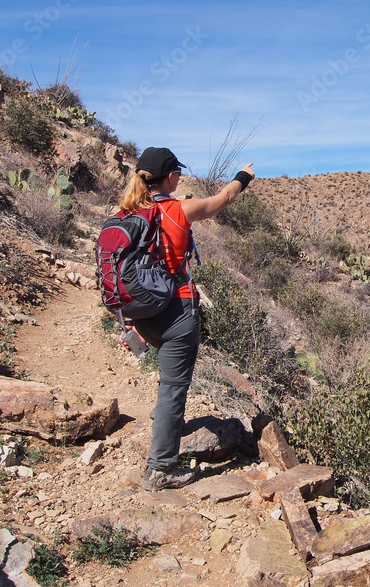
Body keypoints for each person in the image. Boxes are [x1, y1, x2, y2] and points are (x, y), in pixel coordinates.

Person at [116, 147, 254, 490]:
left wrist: (133, 320)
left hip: (142, 314)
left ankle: (163, 424)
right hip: (176, 312)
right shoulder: (179, 210)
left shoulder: (124, 214)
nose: (179, 176)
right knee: (173, 389)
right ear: (169, 177)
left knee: (168, 384)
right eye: (176, 172)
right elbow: (223, 198)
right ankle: (160, 469)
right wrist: (243, 177)